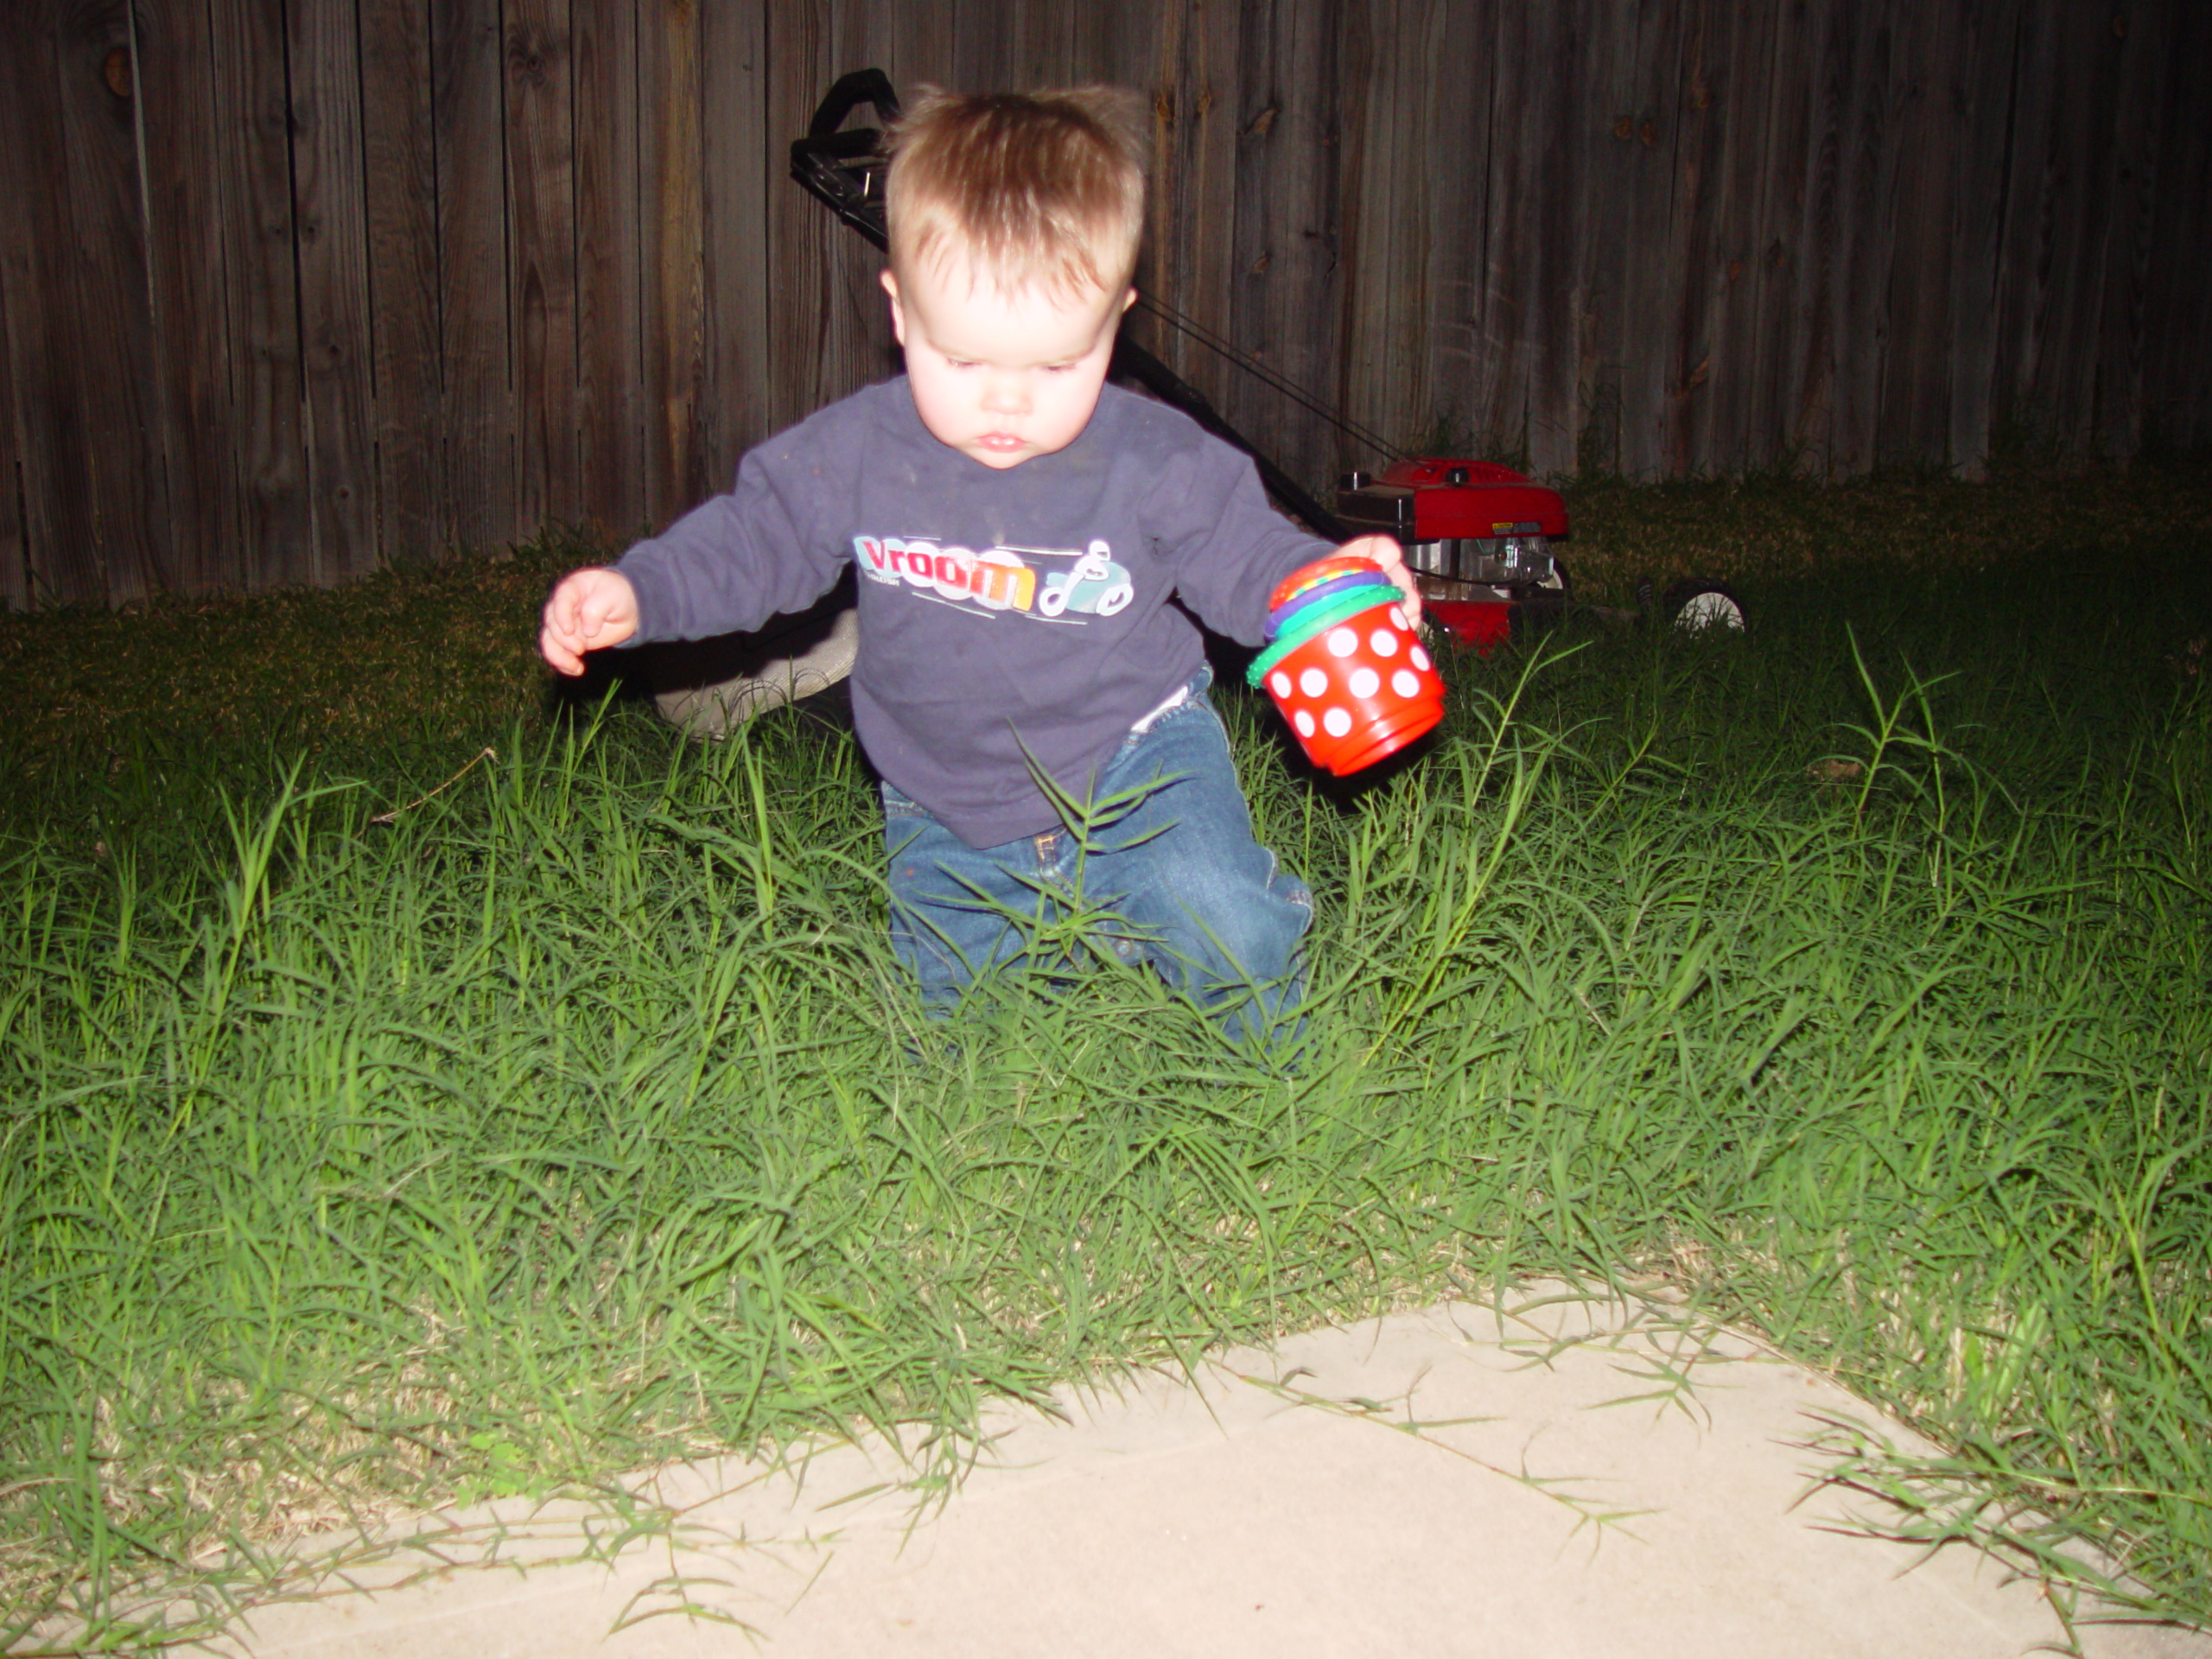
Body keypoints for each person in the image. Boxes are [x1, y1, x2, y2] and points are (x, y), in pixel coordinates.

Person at [539, 86, 1419, 1045]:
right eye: (963, 363)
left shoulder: (1152, 458)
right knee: (964, 1038)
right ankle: (1057, 965)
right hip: (942, 791)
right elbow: (758, 538)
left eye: (1053, 367)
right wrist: (641, 590)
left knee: (1219, 922)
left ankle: (1282, 1038)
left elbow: (1243, 551)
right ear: (901, 312)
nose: (1007, 405)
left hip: (1138, 759)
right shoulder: (858, 453)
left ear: (1114, 319)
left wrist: (1321, 580)